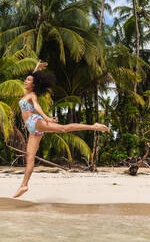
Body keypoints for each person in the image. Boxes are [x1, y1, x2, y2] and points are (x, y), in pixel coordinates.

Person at [13, 60, 110, 198]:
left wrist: (46, 118)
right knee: (29, 157)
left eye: (28, 80)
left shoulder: (32, 95)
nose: (25, 82)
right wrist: (37, 68)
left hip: (35, 122)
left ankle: (94, 127)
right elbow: (35, 78)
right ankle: (24, 185)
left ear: (33, 84)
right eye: (26, 80)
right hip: (31, 129)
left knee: (63, 129)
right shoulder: (28, 91)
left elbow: (37, 107)